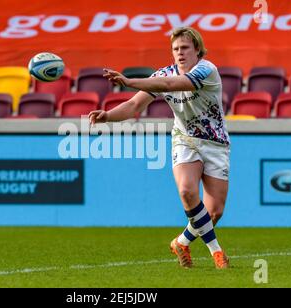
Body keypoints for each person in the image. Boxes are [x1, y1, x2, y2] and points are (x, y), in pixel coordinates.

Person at [88, 27, 230, 269]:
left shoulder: (207, 69)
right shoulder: (163, 73)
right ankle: (217, 252)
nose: (180, 53)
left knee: (214, 212)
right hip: (184, 139)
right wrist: (107, 116)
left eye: (185, 47)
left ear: (197, 49)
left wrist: (128, 80)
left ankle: (181, 242)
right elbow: (134, 105)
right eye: (175, 49)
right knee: (187, 191)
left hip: (215, 142)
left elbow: (171, 84)